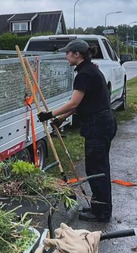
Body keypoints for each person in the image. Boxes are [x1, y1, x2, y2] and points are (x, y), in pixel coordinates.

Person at [38, 39, 117, 223]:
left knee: (97, 168)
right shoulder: (90, 70)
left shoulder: (84, 75)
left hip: (98, 126)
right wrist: (60, 119)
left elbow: (73, 103)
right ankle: (99, 206)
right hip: (103, 123)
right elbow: (80, 104)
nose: (66, 56)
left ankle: (101, 213)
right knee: (98, 167)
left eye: (68, 53)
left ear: (77, 54)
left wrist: (48, 114)